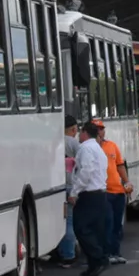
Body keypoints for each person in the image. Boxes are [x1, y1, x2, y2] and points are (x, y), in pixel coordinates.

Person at [70, 121, 110, 276]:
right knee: (95, 229)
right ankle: (94, 265)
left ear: (85, 132)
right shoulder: (98, 148)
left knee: (81, 228)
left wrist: (75, 191)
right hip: (99, 193)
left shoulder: (86, 148)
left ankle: (99, 258)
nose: (79, 135)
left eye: (81, 132)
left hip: (89, 194)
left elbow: (86, 171)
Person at [92, 119, 133, 265]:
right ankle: (106, 253)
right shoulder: (91, 148)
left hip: (118, 191)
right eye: (97, 129)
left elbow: (120, 165)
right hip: (104, 191)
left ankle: (116, 252)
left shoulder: (112, 146)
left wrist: (127, 182)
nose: (100, 132)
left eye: (102, 129)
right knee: (107, 223)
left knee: (117, 225)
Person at [58, 115, 80, 268]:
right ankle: (69, 255)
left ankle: (61, 252)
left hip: (56, 186)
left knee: (59, 221)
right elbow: (81, 166)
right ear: (73, 129)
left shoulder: (56, 141)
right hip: (71, 185)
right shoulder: (74, 143)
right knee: (70, 221)